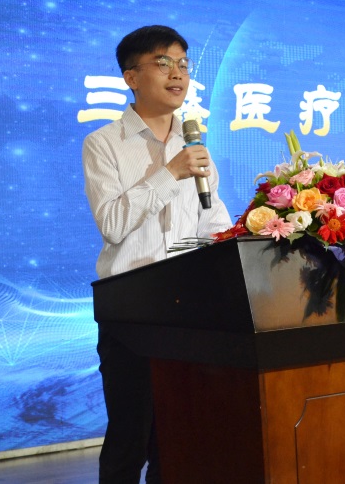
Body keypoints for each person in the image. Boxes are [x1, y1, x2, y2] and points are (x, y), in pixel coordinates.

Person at [82, 25, 232, 483]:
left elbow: (213, 226)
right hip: (131, 309)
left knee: (177, 439)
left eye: (183, 64)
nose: (177, 74)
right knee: (130, 437)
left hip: (187, 309)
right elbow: (112, 224)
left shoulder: (196, 147)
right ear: (131, 77)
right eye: (163, 63)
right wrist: (169, 174)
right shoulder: (104, 143)